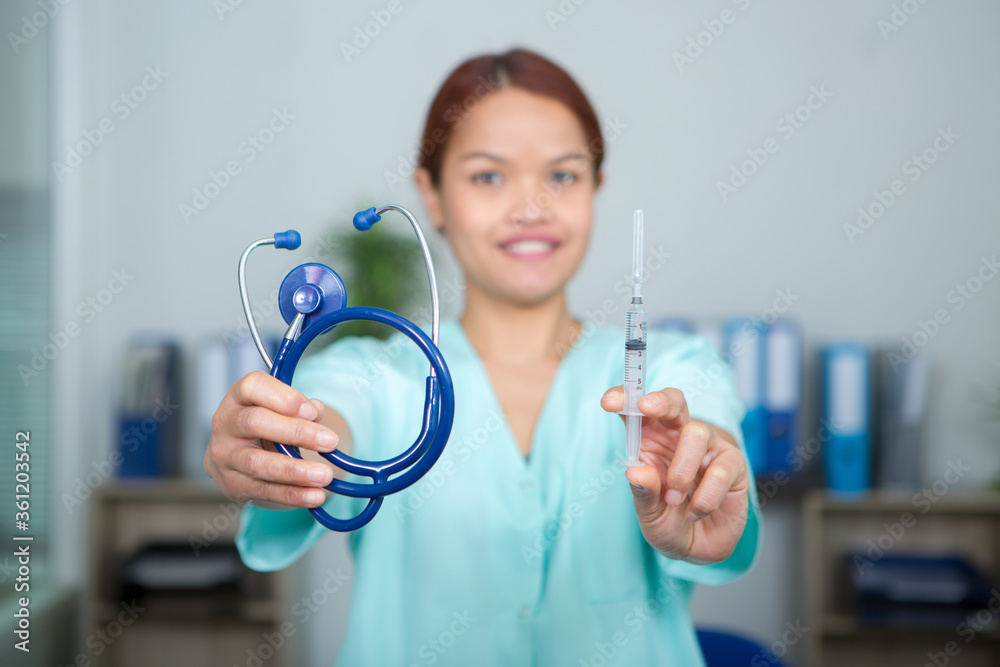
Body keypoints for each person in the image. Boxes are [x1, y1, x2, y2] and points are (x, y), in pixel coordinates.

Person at [205, 47, 761, 666]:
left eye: (563, 175)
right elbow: (319, 423)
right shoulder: (368, 372)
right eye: (489, 176)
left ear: (596, 189)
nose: (531, 207)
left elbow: (705, 439)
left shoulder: (675, 370)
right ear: (433, 195)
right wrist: (279, 443)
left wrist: (701, 475)